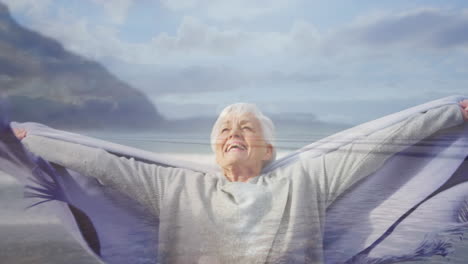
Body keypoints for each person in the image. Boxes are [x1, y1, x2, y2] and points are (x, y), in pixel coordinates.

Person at [13, 100, 468, 263]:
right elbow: (101, 162)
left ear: (268, 149)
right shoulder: (174, 187)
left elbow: (379, 143)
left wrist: (454, 114)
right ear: (215, 152)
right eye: (226, 130)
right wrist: (25, 138)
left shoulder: (307, 178)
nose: (234, 134)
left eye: (246, 127)